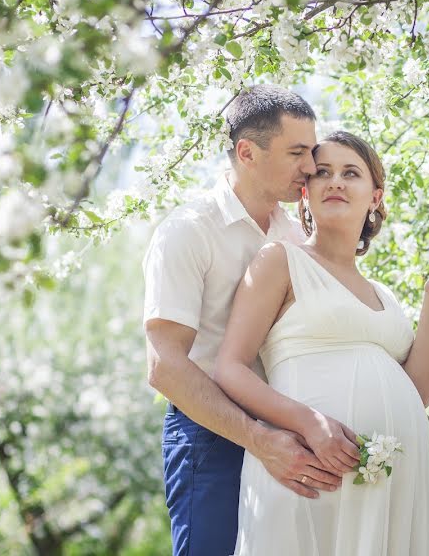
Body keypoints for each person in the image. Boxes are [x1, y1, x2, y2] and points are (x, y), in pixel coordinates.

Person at [214, 131, 429, 555]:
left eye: (350, 173)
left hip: (386, 488)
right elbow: (230, 368)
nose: (335, 181)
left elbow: (418, 393)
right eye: (322, 173)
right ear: (305, 194)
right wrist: (309, 424)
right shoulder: (280, 260)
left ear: (375, 196)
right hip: (310, 469)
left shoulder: (385, 296)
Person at [143, 85, 344, 556]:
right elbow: (164, 365)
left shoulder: (298, 237)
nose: (311, 168)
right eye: (297, 152)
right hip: (209, 434)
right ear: (247, 152)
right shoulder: (187, 231)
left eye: (311, 152)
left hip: (291, 436)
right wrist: (258, 439)